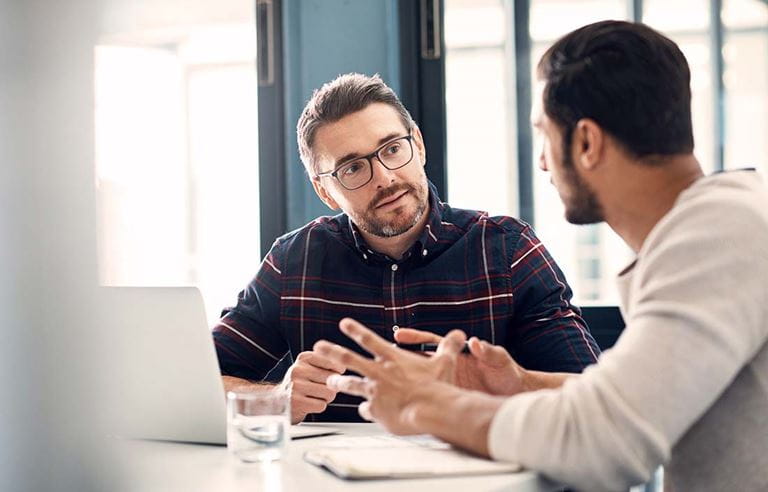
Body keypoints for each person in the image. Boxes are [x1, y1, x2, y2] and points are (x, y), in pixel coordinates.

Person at [316, 21, 768, 491]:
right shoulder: (720, 226)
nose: (543, 162)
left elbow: (603, 443)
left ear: (587, 143)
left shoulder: (718, 236)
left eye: (544, 134)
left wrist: (425, 404)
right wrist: (519, 384)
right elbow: (636, 400)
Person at [212, 73, 600, 424]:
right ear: (324, 191)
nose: (384, 177)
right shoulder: (292, 262)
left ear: (418, 144)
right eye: (352, 168)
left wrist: (504, 384)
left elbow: (591, 399)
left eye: (393, 149)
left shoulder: (509, 250)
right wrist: (274, 399)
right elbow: (195, 384)